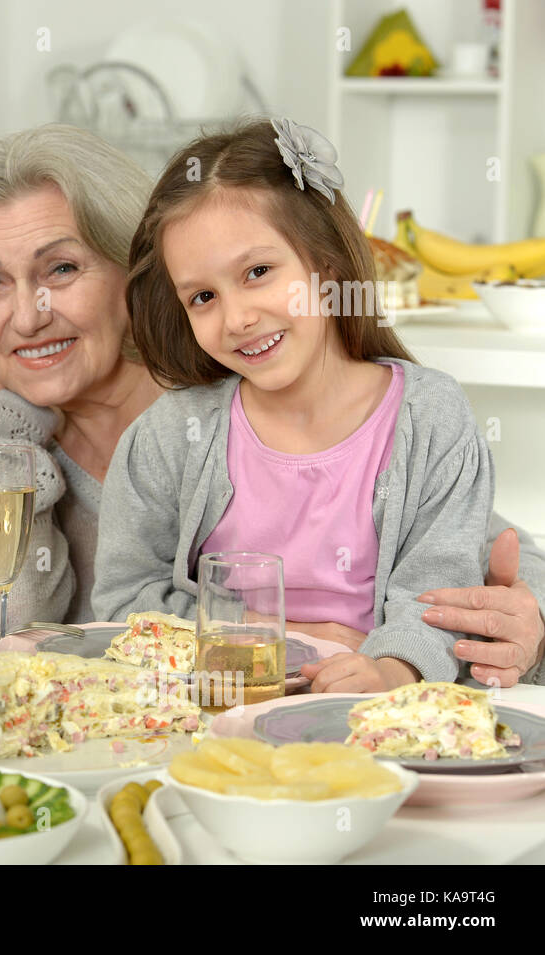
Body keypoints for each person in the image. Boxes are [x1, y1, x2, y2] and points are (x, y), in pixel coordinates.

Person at [0, 123, 545, 686]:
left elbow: (457, 559)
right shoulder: (145, 439)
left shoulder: (389, 410)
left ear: (130, 278)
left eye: (60, 268)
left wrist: (519, 621)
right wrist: (0, 423)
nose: (28, 314)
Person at [92, 117, 496, 692]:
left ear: (325, 265)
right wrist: (289, 637)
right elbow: (123, 602)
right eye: (203, 296)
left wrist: (390, 669)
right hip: (211, 714)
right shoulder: (169, 434)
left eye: (258, 272)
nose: (237, 318)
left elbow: (438, 594)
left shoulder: (430, 419)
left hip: (369, 717)